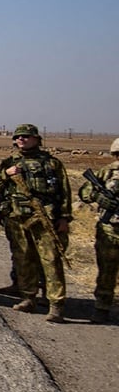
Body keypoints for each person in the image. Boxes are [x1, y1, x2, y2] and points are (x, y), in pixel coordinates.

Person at [0, 124, 71, 321]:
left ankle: (55, 303)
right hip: (17, 217)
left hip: (45, 218)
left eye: (26, 136)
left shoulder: (52, 164)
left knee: (51, 260)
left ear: (36, 139)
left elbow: (65, 193)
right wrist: (5, 174)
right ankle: (28, 297)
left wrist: (64, 218)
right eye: (18, 137)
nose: (22, 139)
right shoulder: (9, 162)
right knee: (23, 258)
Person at [79, 138, 119, 322]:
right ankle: (102, 307)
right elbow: (85, 192)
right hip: (109, 228)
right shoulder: (108, 171)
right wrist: (98, 197)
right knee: (106, 270)